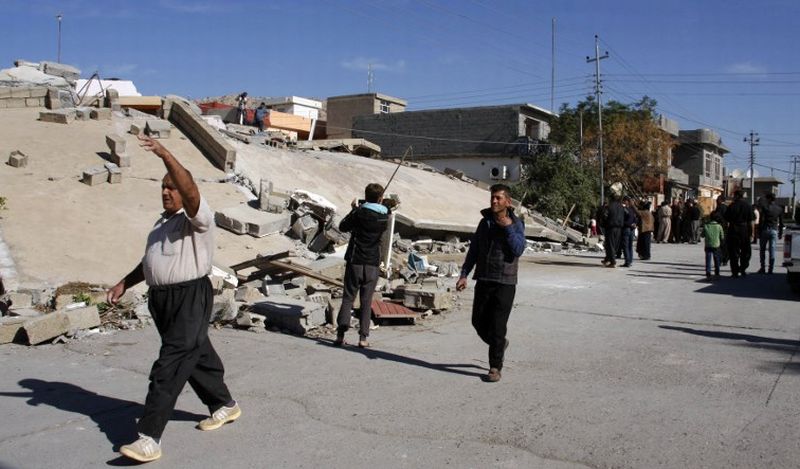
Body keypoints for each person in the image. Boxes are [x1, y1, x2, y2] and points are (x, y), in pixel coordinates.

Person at [107, 136, 239, 463]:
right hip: (162, 300)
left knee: (170, 363)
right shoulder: (161, 224)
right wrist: (126, 283)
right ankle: (224, 405)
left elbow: (191, 189)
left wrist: (165, 155)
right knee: (196, 355)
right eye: (162, 188)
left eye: (172, 187)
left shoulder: (198, 218)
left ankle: (149, 437)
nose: (166, 191)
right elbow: (150, 261)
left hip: (190, 296)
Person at [456, 184, 525, 383]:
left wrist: (508, 228)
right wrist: (463, 274)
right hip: (484, 278)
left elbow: (518, 250)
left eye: (498, 198)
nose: (494, 201)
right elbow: (474, 250)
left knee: (497, 325)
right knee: (477, 321)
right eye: (492, 198)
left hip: (505, 281)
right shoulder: (484, 223)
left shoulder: (516, 223)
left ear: (508, 202)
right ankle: (499, 344)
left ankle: (495, 367)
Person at [334, 183, 390, 348]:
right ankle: (363, 338)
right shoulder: (384, 216)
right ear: (380, 198)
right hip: (372, 263)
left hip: (355, 260)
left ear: (365, 196)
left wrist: (353, 209)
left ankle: (340, 334)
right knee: (366, 301)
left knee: (348, 297)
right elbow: (386, 210)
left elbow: (343, 226)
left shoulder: (359, 212)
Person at [723, 190, 753, 278]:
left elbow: (726, 219)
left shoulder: (732, 206)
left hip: (733, 230)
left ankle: (735, 271)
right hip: (744, 230)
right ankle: (743, 268)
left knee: (733, 252)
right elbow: (751, 221)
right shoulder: (748, 206)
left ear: (736, 196)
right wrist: (752, 233)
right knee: (746, 251)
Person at [757, 192, 784, 274]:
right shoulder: (779, 209)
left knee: (762, 250)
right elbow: (781, 223)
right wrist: (780, 233)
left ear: (768, 199)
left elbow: (761, 220)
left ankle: (762, 268)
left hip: (765, 230)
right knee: (772, 250)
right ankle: (770, 269)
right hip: (774, 230)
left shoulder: (765, 207)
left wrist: (759, 231)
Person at [601, 194, 624, 268]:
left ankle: (613, 262)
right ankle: (607, 259)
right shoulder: (621, 207)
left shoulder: (609, 206)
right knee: (614, 244)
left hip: (610, 227)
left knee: (610, 244)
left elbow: (604, 216)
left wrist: (604, 223)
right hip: (619, 228)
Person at [701, 213, 725, 279]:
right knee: (716, 259)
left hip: (708, 245)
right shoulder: (719, 226)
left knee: (708, 259)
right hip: (716, 245)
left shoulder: (706, 225)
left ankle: (708, 273)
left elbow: (702, 235)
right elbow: (722, 236)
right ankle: (717, 272)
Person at [620, 196, 638, 267]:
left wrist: (630, 224)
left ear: (626, 201)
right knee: (630, 246)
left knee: (626, 246)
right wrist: (634, 224)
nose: (622, 202)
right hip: (632, 229)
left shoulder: (624, 210)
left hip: (626, 229)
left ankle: (627, 261)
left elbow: (622, 220)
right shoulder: (632, 209)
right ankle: (630, 260)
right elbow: (635, 218)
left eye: (623, 201)